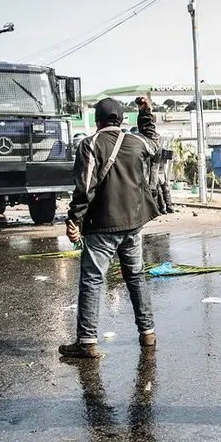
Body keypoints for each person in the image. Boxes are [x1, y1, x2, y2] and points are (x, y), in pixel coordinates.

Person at [59, 97, 161, 359]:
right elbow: (154, 142)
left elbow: (84, 189)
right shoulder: (137, 142)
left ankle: (87, 342)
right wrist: (145, 112)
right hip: (134, 223)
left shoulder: (90, 145)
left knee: (93, 279)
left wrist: (74, 220)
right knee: (135, 276)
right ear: (121, 119)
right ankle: (147, 333)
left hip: (102, 225)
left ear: (97, 120)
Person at [134, 97, 176, 215]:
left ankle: (158, 209)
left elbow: (147, 129)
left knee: (154, 186)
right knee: (161, 185)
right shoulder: (158, 138)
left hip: (155, 166)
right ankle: (166, 207)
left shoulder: (146, 139)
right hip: (160, 166)